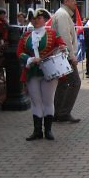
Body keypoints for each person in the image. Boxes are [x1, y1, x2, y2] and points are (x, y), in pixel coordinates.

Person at [17, 9, 66, 141]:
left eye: (39, 18)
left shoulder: (52, 33)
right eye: (33, 18)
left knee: (48, 101)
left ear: (44, 19)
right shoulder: (26, 35)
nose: (36, 20)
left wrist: (62, 48)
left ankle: (48, 130)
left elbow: (62, 44)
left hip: (49, 71)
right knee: (35, 101)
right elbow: (19, 52)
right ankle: (37, 131)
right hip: (32, 71)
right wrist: (29, 59)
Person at [52, 0, 81, 123]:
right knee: (75, 82)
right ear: (65, 1)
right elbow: (65, 37)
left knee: (63, 84)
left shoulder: (62, 14)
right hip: (64, 56)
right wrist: (71, 56)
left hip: (61, 55)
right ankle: (63, 112)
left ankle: (56, 112)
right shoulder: (63, 15)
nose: (75, 3)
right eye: (73, 1)